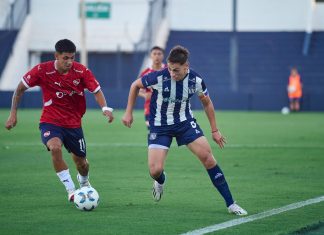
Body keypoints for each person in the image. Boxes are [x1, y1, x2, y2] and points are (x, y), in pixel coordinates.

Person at [122, 45, 247, 216]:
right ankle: (160, 180)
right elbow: (135, 85)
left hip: (185, 123)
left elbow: (207, 103)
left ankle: (231, 204)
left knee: (208, 158)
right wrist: (128, 112)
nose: (172, 73)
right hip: (160, 125)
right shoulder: (159, 76)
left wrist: (215, 130)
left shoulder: (195, 80)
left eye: (176, 70)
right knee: (155, 170)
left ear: (186, 66)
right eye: (170, 69)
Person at [5, 39, 114, 202]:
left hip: (74, 124)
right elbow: (20, 89)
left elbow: (96, 90)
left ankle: (84, 182)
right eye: (65, 58)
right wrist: (13, 114)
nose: (70, 62)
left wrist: (104, 108)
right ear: (56, 56)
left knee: (82, 163)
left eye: (72, 58)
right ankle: (70, 190)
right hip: (50, 121)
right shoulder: (42, 70)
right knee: (55, 148)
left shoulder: (82, 71)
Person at [138, 46, 166, 130]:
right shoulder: (145, 73)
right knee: (152, 131)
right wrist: (145, 95)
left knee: (166, 132)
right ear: (151, 56)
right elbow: (137, 90)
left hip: (166, 107)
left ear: (163, 56)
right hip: (150, 107)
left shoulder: (168, 70)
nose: (157, 56)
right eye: (154, 54)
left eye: (159, 54)